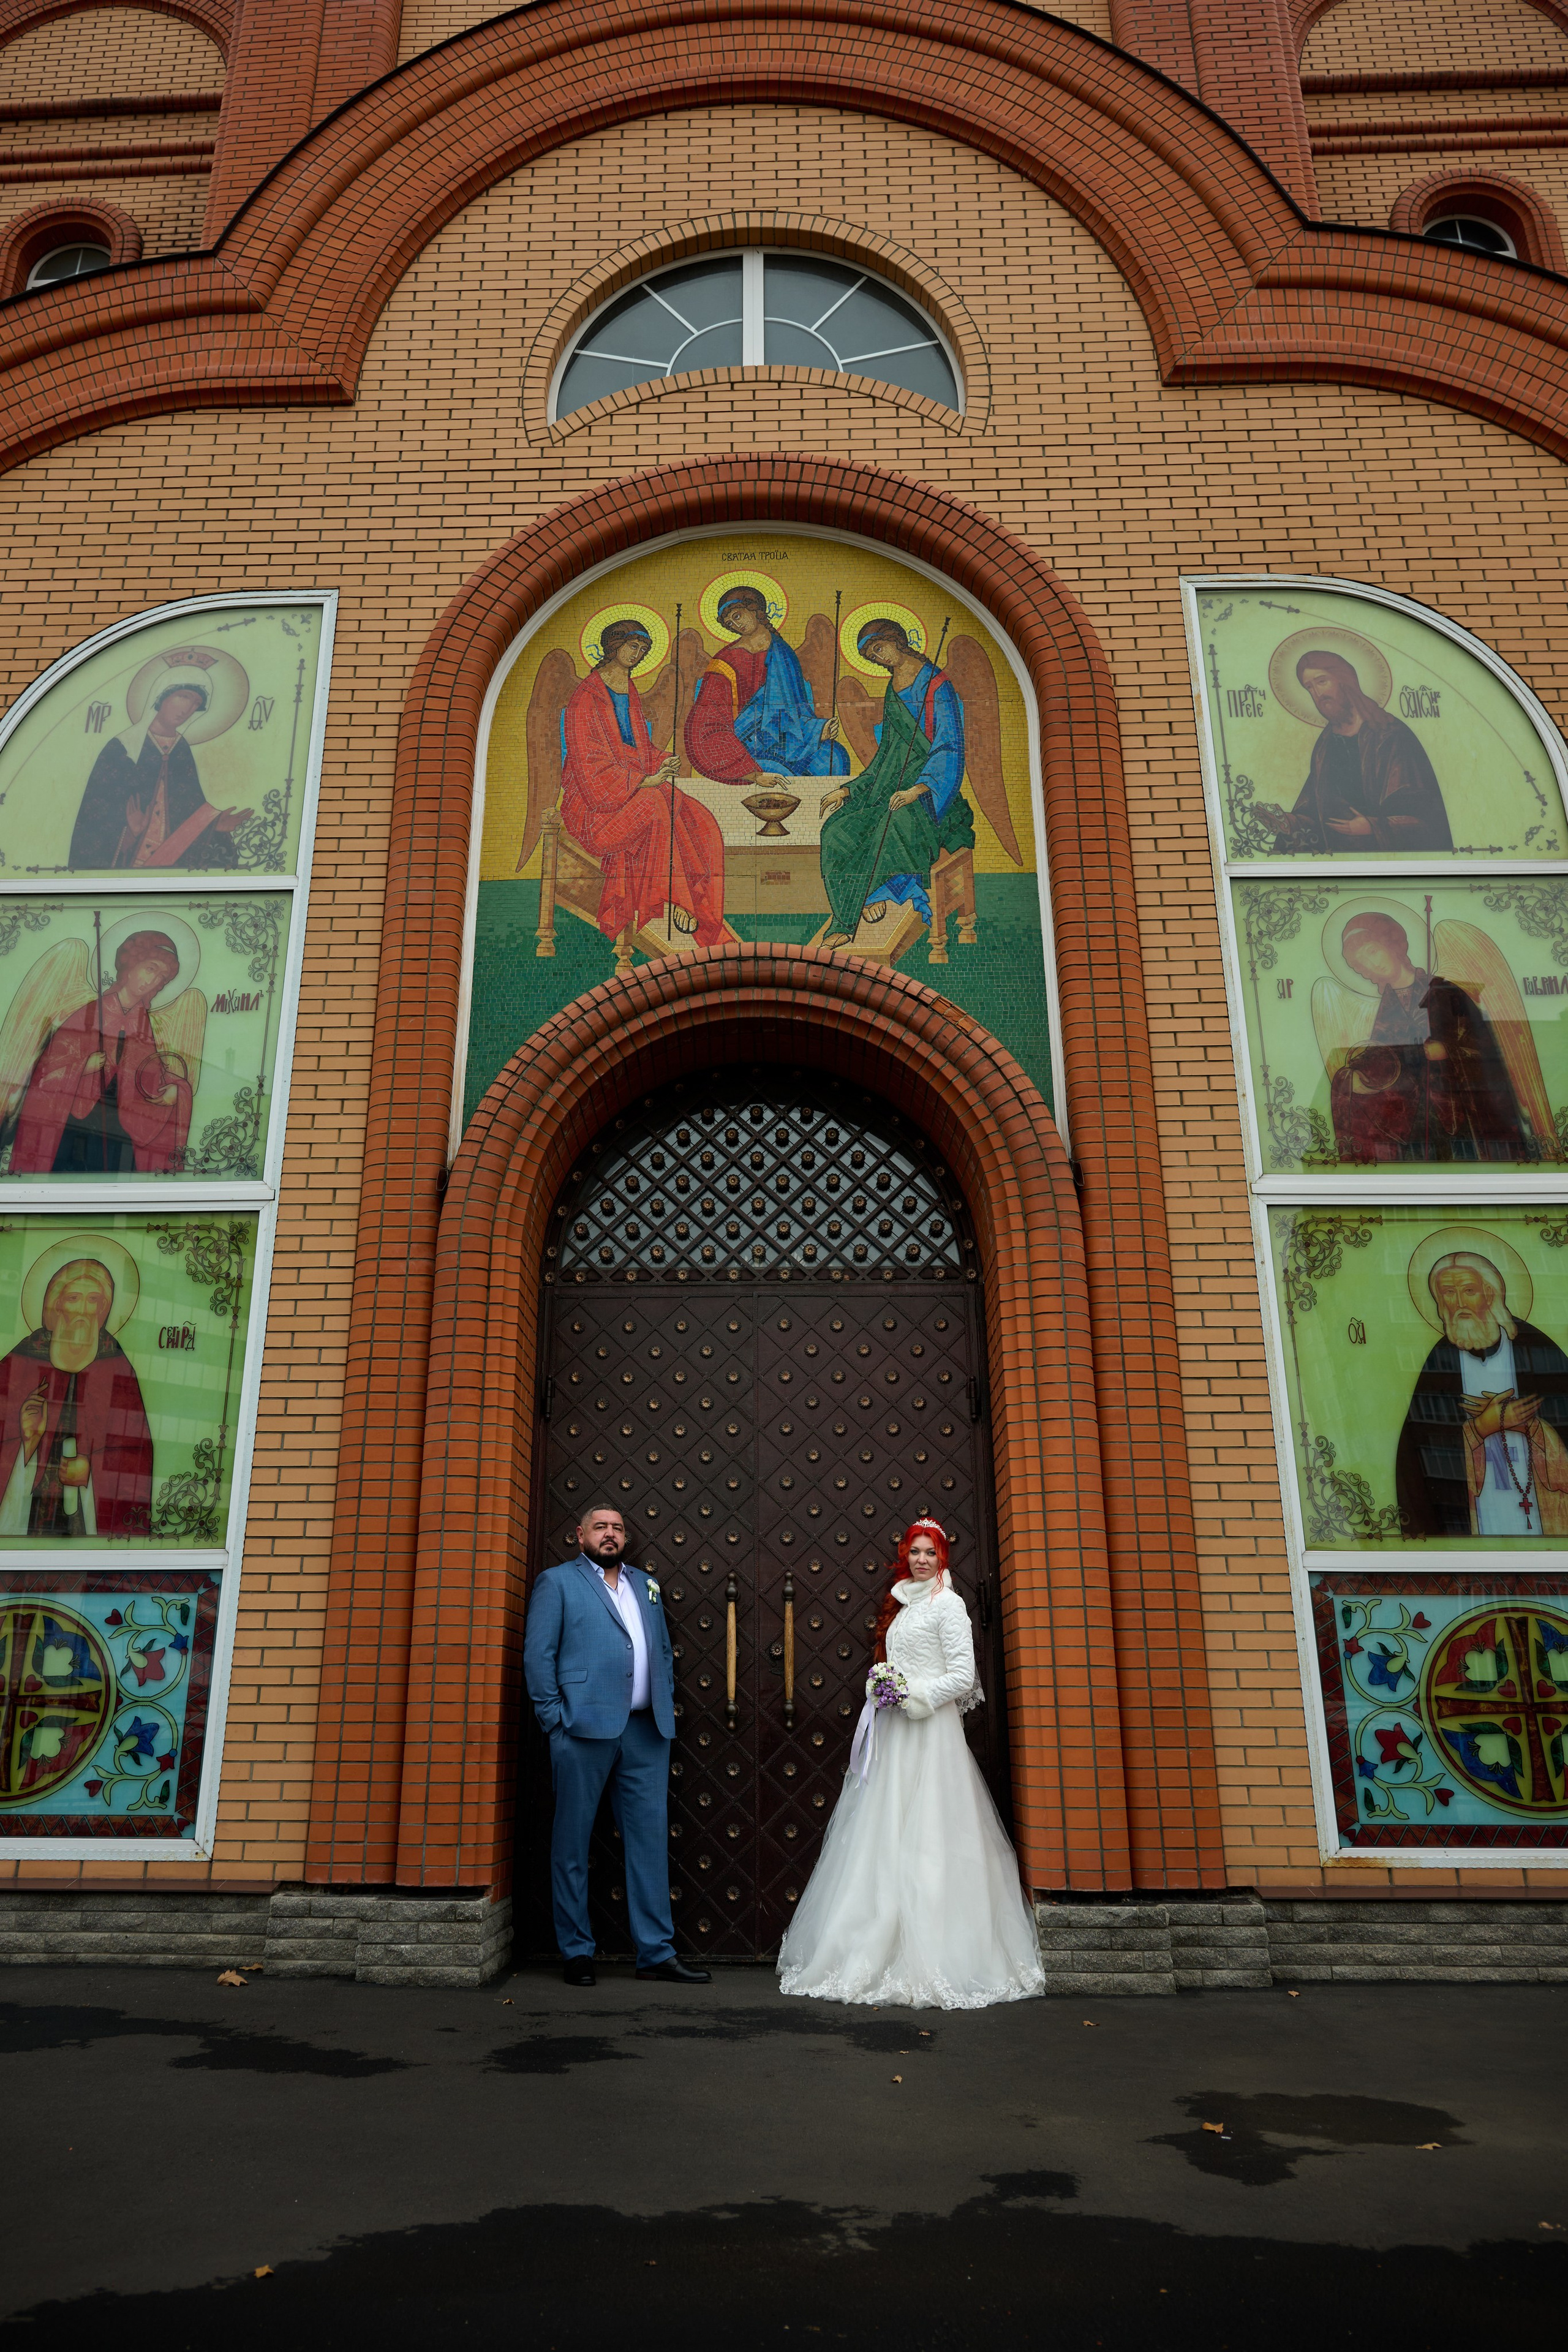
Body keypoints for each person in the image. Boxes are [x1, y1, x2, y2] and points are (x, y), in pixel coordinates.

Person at [777, 1517, 1044, 2010]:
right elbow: (893, 1665)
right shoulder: (902, 1604)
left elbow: (963, 1676)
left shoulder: (950, 1605)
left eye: (931, 1553)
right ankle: (877, 1934)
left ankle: (940, 1948)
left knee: (932, 1832)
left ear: (943, 1558)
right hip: (897, 1732)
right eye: (915, 1552)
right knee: (886, 1831)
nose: (922, 1559)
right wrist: (881, 1686)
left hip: (931, 1733)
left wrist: (915, 1696)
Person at [523, 1504, 712, 1988]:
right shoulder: (558, 1582)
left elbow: (660, 1650)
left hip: (646, 1732)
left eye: (618, 1529)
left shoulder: (644, 1585)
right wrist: (554, 1722)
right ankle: (577, 1951)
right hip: (582, 1729)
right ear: (579, 1535)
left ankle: (655, 1952)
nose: (610, 1535)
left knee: (649, 1844)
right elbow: (539, 1656)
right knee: (573, 1841)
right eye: (601, 1527)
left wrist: (664, 1700)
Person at [561, 620, 731, 947]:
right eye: (632, 647)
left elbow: (637, 749)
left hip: (628, 787)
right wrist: (644, 780)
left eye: (643, 650)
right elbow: (590, 764)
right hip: (593, 807)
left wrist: (660, 760)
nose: (637, 655)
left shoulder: (629, 687)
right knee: (656, 803)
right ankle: (676, 898)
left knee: (699, 817)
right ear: (613, 646)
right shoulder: (587, 697)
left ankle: (704, 912)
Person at [818, 619, 974, 946]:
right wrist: (849, 790)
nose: (878, 658)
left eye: (878, 648)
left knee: (895, 822)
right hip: (890, 787)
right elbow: (887, 753)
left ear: (896, 640)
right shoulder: (893, 690)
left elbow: (950, 746)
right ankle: (849, 911)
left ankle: (871, 898)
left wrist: (920, 788)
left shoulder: (937, 686)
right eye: (871, 656)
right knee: (838, 829)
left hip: (933, 797)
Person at [1328, 911, 1528, 1164]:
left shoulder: (1446, 992)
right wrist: (1359, 1075)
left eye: (1372, 951)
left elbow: (1482, 1048)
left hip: (1458, 1114)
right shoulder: (1388, 1006)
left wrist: (1449, 1051)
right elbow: (1385, 1055)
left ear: (1392, 944)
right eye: (1362, 963)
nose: (1372, 964)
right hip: (1413, 1119)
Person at [1396, 1251, 1568, 1537]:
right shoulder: (1439, 1360)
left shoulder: (1534, 1345)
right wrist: (1481, 1427)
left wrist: (1532, 1426)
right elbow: (1417, 1450)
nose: (1460, 1303)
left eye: (1469, 1291)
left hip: (1542, 1508)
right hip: (1476, 1516)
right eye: (1449, 1293)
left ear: (1489, 1293)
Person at [8, 930, 194, 1174]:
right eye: (151, 969)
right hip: (78, 1125)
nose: (154, 982)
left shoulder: (142, 1023)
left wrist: (175, 1090)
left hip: (119, 1130)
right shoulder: (90, 1013)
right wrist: (82, 1068)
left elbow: (148, 1075)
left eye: (162, 978)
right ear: (131, 964)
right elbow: (45, 1075)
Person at [0, 1255, 153, 1537]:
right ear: (57, 1304)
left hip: (87, 1522)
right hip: (30, 1517)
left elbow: (135, 1451)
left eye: (94, 1300)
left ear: (104, 1308)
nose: (84, 1310)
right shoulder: (23, 1360)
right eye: (73, 1298)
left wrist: (92, 1473)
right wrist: (27, 1442)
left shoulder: (116, 1364)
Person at [1254, 649, 1453, 854]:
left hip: (1387, 863)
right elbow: (1318, 812)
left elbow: (1425, 817)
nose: (1318, 695)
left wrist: (1373, 826)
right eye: (1309, 688)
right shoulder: (1326, 743)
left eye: (1322, 682)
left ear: (1345, 680)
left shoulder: (1390, 735)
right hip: (1338, 864)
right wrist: (1290, 822)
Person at [69, 672, 252, 869]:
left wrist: (214, 825)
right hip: (131, 858)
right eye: (183, 697)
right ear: (161, 696)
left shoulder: (181, 747)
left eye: (196, 704)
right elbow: (96, 813)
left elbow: (190, 802)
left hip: (174, 856)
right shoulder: (123, 748)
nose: (188, 709)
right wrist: (131, 832)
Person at [683, 584, 847, 787]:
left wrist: (817, 730)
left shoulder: (783, 653)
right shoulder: (725, 662)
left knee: (834, 757)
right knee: (782, 774)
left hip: (788, 741)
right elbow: (707, 723)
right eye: (729, 623)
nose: (736, 624)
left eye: (737, 615)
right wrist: (751, 773)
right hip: (745, 748)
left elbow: (796, 711)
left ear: (754, 610)